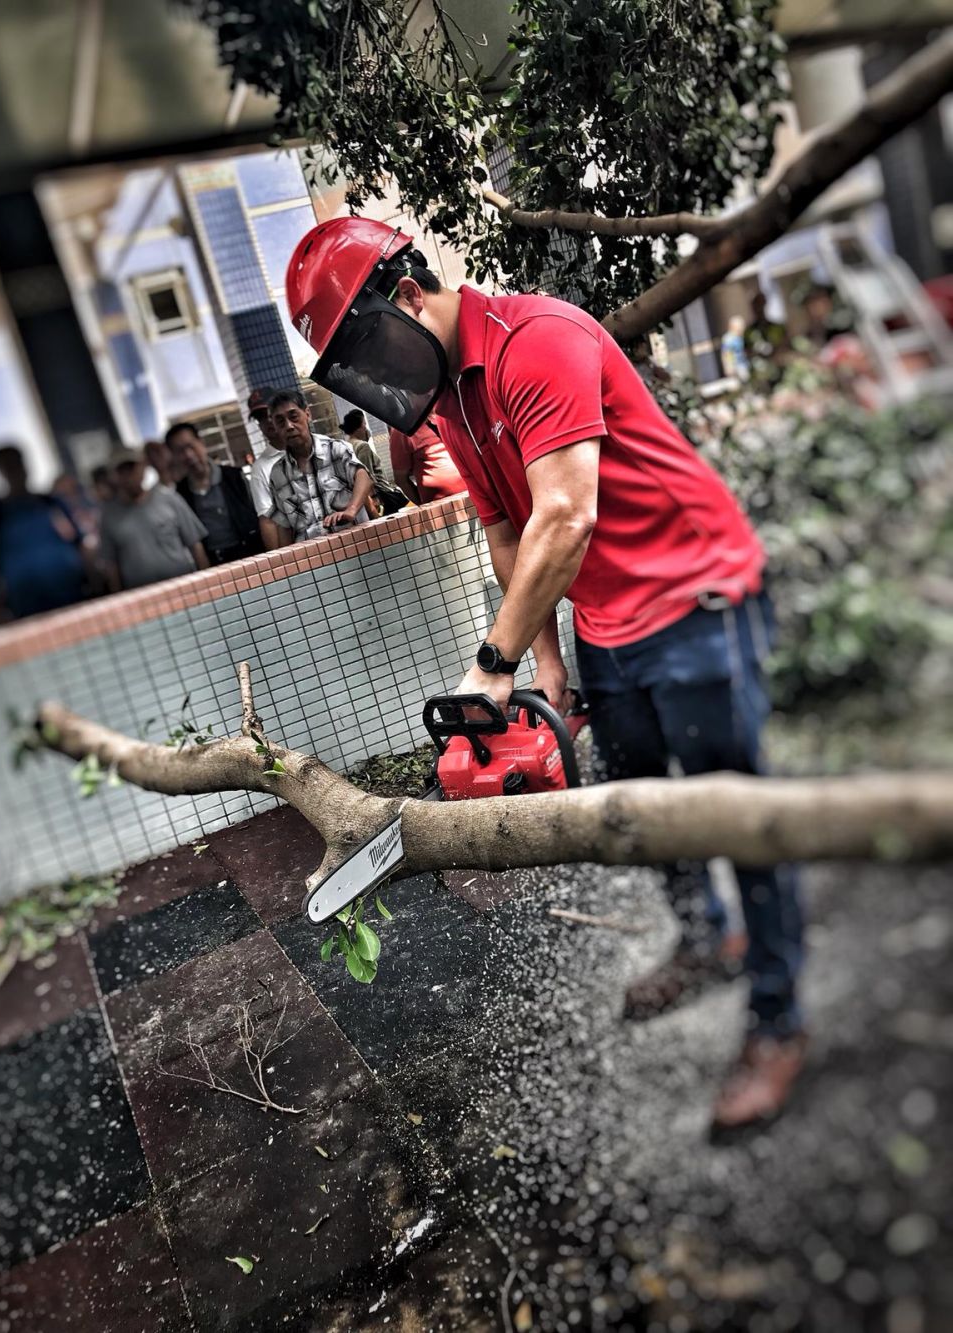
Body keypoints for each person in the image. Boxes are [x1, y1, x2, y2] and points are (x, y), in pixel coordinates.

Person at [284, 216, 806, 1133]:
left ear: (405, 298)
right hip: (609, 617)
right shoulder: (448, 398)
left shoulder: (538, 342)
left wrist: (489, 668)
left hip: (695, 590)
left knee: (735, 807)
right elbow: (506, 530)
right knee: (643, 800)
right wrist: (544, 664)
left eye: (360, 345)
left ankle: (778, 1017)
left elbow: (564, 516)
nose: (369, 373)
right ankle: (704, 937)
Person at [0, 444, 87, 621]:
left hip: (72, 597)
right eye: (9, 466)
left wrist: (91, 576)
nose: (16, 470)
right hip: (27, 608)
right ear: (1, 471)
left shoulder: (51, 503)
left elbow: (80, 542)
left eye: (17, 463)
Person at [263, 389, 374, 544]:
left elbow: (364, 477)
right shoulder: (277, 473)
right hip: (315, 562)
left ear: (307, 414)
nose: (289, 426)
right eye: (280, 421)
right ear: (274, 426)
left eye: (294, 417)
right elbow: (284, 527)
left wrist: (351, 509)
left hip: (356, 547)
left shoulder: (335, 449)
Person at [99, 448, 209, 591]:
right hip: (142, 598)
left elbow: (196, 546)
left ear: (143, 468)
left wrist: (207, 587)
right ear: (114, 476)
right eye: (122, 471)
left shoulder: (169, 499)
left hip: (183, 588)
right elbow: (111, 566)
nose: (128, 475)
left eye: (132, 468)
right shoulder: (109, 516)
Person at [168, 422, 263, 564]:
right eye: (180, 451)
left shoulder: (234, 477)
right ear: (174, 456)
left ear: (201, 443)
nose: (188, 455)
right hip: (213, 562)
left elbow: (260, 516)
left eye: (190, 446)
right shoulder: (180, 494)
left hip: (250, 555)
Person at [244, 385, 291, 550]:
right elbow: (267, 519)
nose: (267, 421)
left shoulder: (316, 445)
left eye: (270, 413)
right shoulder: (260, 468)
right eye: (261, 418)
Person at [341, 409, 406, 516]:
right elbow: (367, 476)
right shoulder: (362, 446)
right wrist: (374, 502)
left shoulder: (346, 446)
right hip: (382, 497)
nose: (366, 428)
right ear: (358, 428)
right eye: (364, 424)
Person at [388, 419, 464, 505]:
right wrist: (423, 506)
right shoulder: (402, 430)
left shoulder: (448, 416)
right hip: (437, 506)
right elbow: (401, 479)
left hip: (471, 494)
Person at [720, 315, 751, 382]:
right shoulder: (728, 339)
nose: (743, 327)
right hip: (735, 366)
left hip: (742, 363)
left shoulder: (738, 337)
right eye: (741, 326)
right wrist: (729, 366)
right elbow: (726, 353)